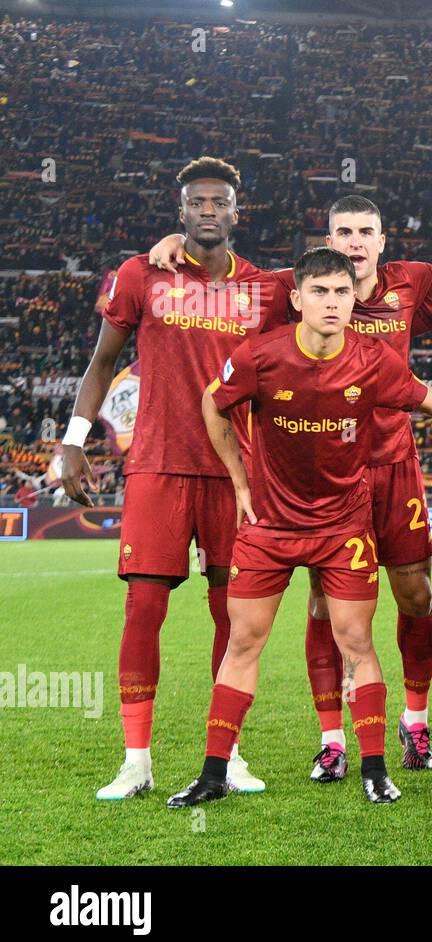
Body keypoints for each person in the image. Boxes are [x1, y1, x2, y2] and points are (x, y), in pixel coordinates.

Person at [146, 195, 432, 781]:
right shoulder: (298, 282)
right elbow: (224, 275)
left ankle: (414, 722)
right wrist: (176, 250)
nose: (354, 243)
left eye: (366, 231)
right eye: (343, 232)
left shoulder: (415, 284)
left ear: (382, 240)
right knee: (325, 603)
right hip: (323, 474)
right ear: (323, 254)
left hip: (392, 465)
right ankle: (333, 738)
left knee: (415, 593)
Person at [166, 247, 432, 807]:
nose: (331, 303)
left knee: (356, 639)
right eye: (319, 292)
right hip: (270, 525)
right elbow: (214, 404)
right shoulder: (261, 355)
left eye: (340, 292)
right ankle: (213, 774)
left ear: (354, 298)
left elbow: (431, 401)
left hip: (342, 526)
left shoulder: (372, 358)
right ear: (297, 298)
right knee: (243, 642)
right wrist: (238, 479)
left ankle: (375, 769)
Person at [62, 156, 289, 801]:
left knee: (234, 616)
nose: (209, 211)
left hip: (235, 471)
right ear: (180, 209)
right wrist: (74, 444)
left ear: (237, 212)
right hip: (158, 464)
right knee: (145, 608)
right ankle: (136, 760)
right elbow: (103, 362)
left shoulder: (270, 290)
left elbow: (343, 288)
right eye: (198, 202)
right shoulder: (142, 273)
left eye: (220, 202)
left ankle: (230, 753)